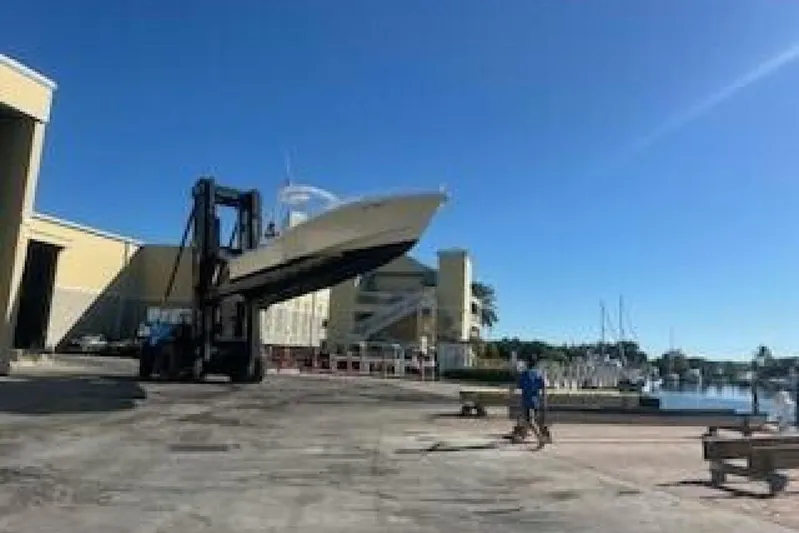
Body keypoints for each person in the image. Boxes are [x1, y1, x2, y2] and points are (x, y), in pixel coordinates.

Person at [514, 360, 550, 447]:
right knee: (526, 419)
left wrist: (509, 394)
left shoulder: (524, 375)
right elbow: (544, 387)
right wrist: (544, 400)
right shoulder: (538, 374)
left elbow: (518, 386)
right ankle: (522, 435)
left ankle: (540, 438)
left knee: (530, 421)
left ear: (526, 365)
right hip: (536, 401)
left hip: (527, 401)